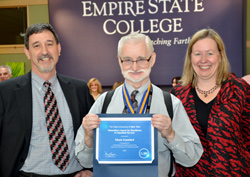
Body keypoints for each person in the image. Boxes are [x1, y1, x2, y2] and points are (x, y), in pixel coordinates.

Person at [74, 33, 203, 177]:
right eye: (128, 60)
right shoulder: (103, 103)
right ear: (119, 61)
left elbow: (192, 159)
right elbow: (85, 162)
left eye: (141, 59)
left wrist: (171, 135)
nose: (135, 67)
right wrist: (89, 138)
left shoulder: (171, 104)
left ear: (152, 59)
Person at [0, 23, 95, 177]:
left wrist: (91, 170)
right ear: (27, 52)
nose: (44, 52)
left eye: (49, 44)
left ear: (59, 49)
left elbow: (94, 134)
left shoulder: (79, 89)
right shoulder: (6, 92)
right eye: (36, 46)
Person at [171, 28, 250, 176]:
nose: (203, 60)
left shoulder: (240, 90)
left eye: (210, 53)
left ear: (220, 56)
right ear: (190, 57)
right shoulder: (178, 95)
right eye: (198, 54)